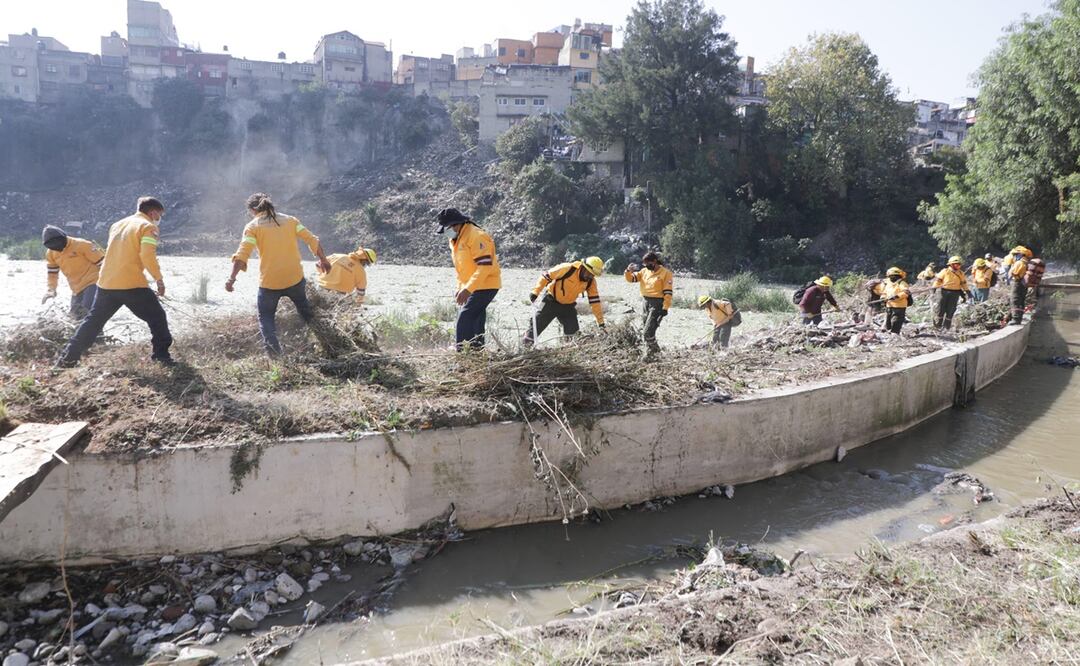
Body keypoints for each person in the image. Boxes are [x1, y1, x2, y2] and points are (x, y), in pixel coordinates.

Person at [56, 197, 175, 367]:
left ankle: (66, 360)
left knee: (92, 322)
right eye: (159, 215)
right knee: (157, 317)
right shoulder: (148, 227)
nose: (159, 218)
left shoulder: (117, 225)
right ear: (153, 212)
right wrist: (159, 279)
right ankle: (161, 357)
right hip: (131, 284)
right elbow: (147, 255)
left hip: (106, 283)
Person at [226, 192, 331, 356]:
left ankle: (275, 355)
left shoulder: (253, 227)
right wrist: (323, 260)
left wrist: (231, 279)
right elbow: (312, 239)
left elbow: (242, 255)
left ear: (253, 210)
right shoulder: (290, 221)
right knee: (305, 312)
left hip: (270, 283)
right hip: (294, 278)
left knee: (266, 317)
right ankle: (328, 342)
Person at [436, 207, 501, 351]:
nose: (446, 232)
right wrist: (461, 287)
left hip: (486, 284)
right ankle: (476, 350)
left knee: (465, 316)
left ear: (455, 224)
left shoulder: (476, 236)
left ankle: (461, 350)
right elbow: (462, 269)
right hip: (472, 285)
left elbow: (484, 267)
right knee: (476, 318)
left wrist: (468, 289)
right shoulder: (455, 239)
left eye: (446, 228)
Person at [523, 257, 605, 347]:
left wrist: (600, 322)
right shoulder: (567, 268)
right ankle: (524, 348)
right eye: (588, 273)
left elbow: (595, 302)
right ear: (583, 267)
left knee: (573, 335)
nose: (589, 277)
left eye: (592, 275)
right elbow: (545, 276)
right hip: (550, 302)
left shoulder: (591, 282)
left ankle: (566, 350)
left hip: (568, 307)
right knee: (535, 328)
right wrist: (535, 291)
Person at [41, 225, 104, 318]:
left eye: (58, 243)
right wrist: (51, 289)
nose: (57, 247)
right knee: (74, 317)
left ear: (64, 238)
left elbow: (103, 263)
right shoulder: (51, 253)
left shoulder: (83, 245)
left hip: (93, 282)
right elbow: (52, 274)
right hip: (76, 288)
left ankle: (97, 327)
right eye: (52, 246)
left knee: (88, 312)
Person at [624, 251, 674, 357]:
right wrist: (628, 271)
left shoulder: (666, 273)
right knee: (647, 330)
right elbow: (631, 279)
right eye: (645, 264)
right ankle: (654, 353)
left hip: (657, 304)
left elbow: (668, 292)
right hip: (645, 302)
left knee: (647, 332)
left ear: (655, 261)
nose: (646, 266)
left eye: (648, 263)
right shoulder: (644, 271)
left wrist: (665, 308)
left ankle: (654, 353)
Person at [932, 256, 970, 329]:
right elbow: (938, 281)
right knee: (941, 308)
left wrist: (968, 292)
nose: (958, 266)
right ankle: (938, 325)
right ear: (951, 264)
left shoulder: (961, 273)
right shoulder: (945, 271)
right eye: (956, 264)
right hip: (944, 292)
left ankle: (947, 326)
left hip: (955, 293)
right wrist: (934, 288)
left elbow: (963, 284)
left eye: (959, 264)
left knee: (951, 310)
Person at [882, 267, 913, 334]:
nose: (892, 277)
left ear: (898, 276)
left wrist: (896, 296)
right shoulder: (888, 284)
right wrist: (883, 297)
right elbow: (884, 292)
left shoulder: (902, 283)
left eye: (894, 276)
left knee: (896, 321)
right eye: (891, 276)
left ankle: (895, 334)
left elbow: (906, 292)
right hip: (889, 305)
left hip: (899, 306)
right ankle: (889, 332)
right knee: (888, 321)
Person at [1007, 246, 1032, 324]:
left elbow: (1014, 273)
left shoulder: (1019, 263)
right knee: (1021, 300)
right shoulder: (1026, 262)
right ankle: (1018, 317)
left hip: (1017, 283)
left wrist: (1011, 271)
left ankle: (1016, 319)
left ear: (1021, 254)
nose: (1014, 256)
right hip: (1023, 284)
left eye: (1015, 254)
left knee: (1015, 300)